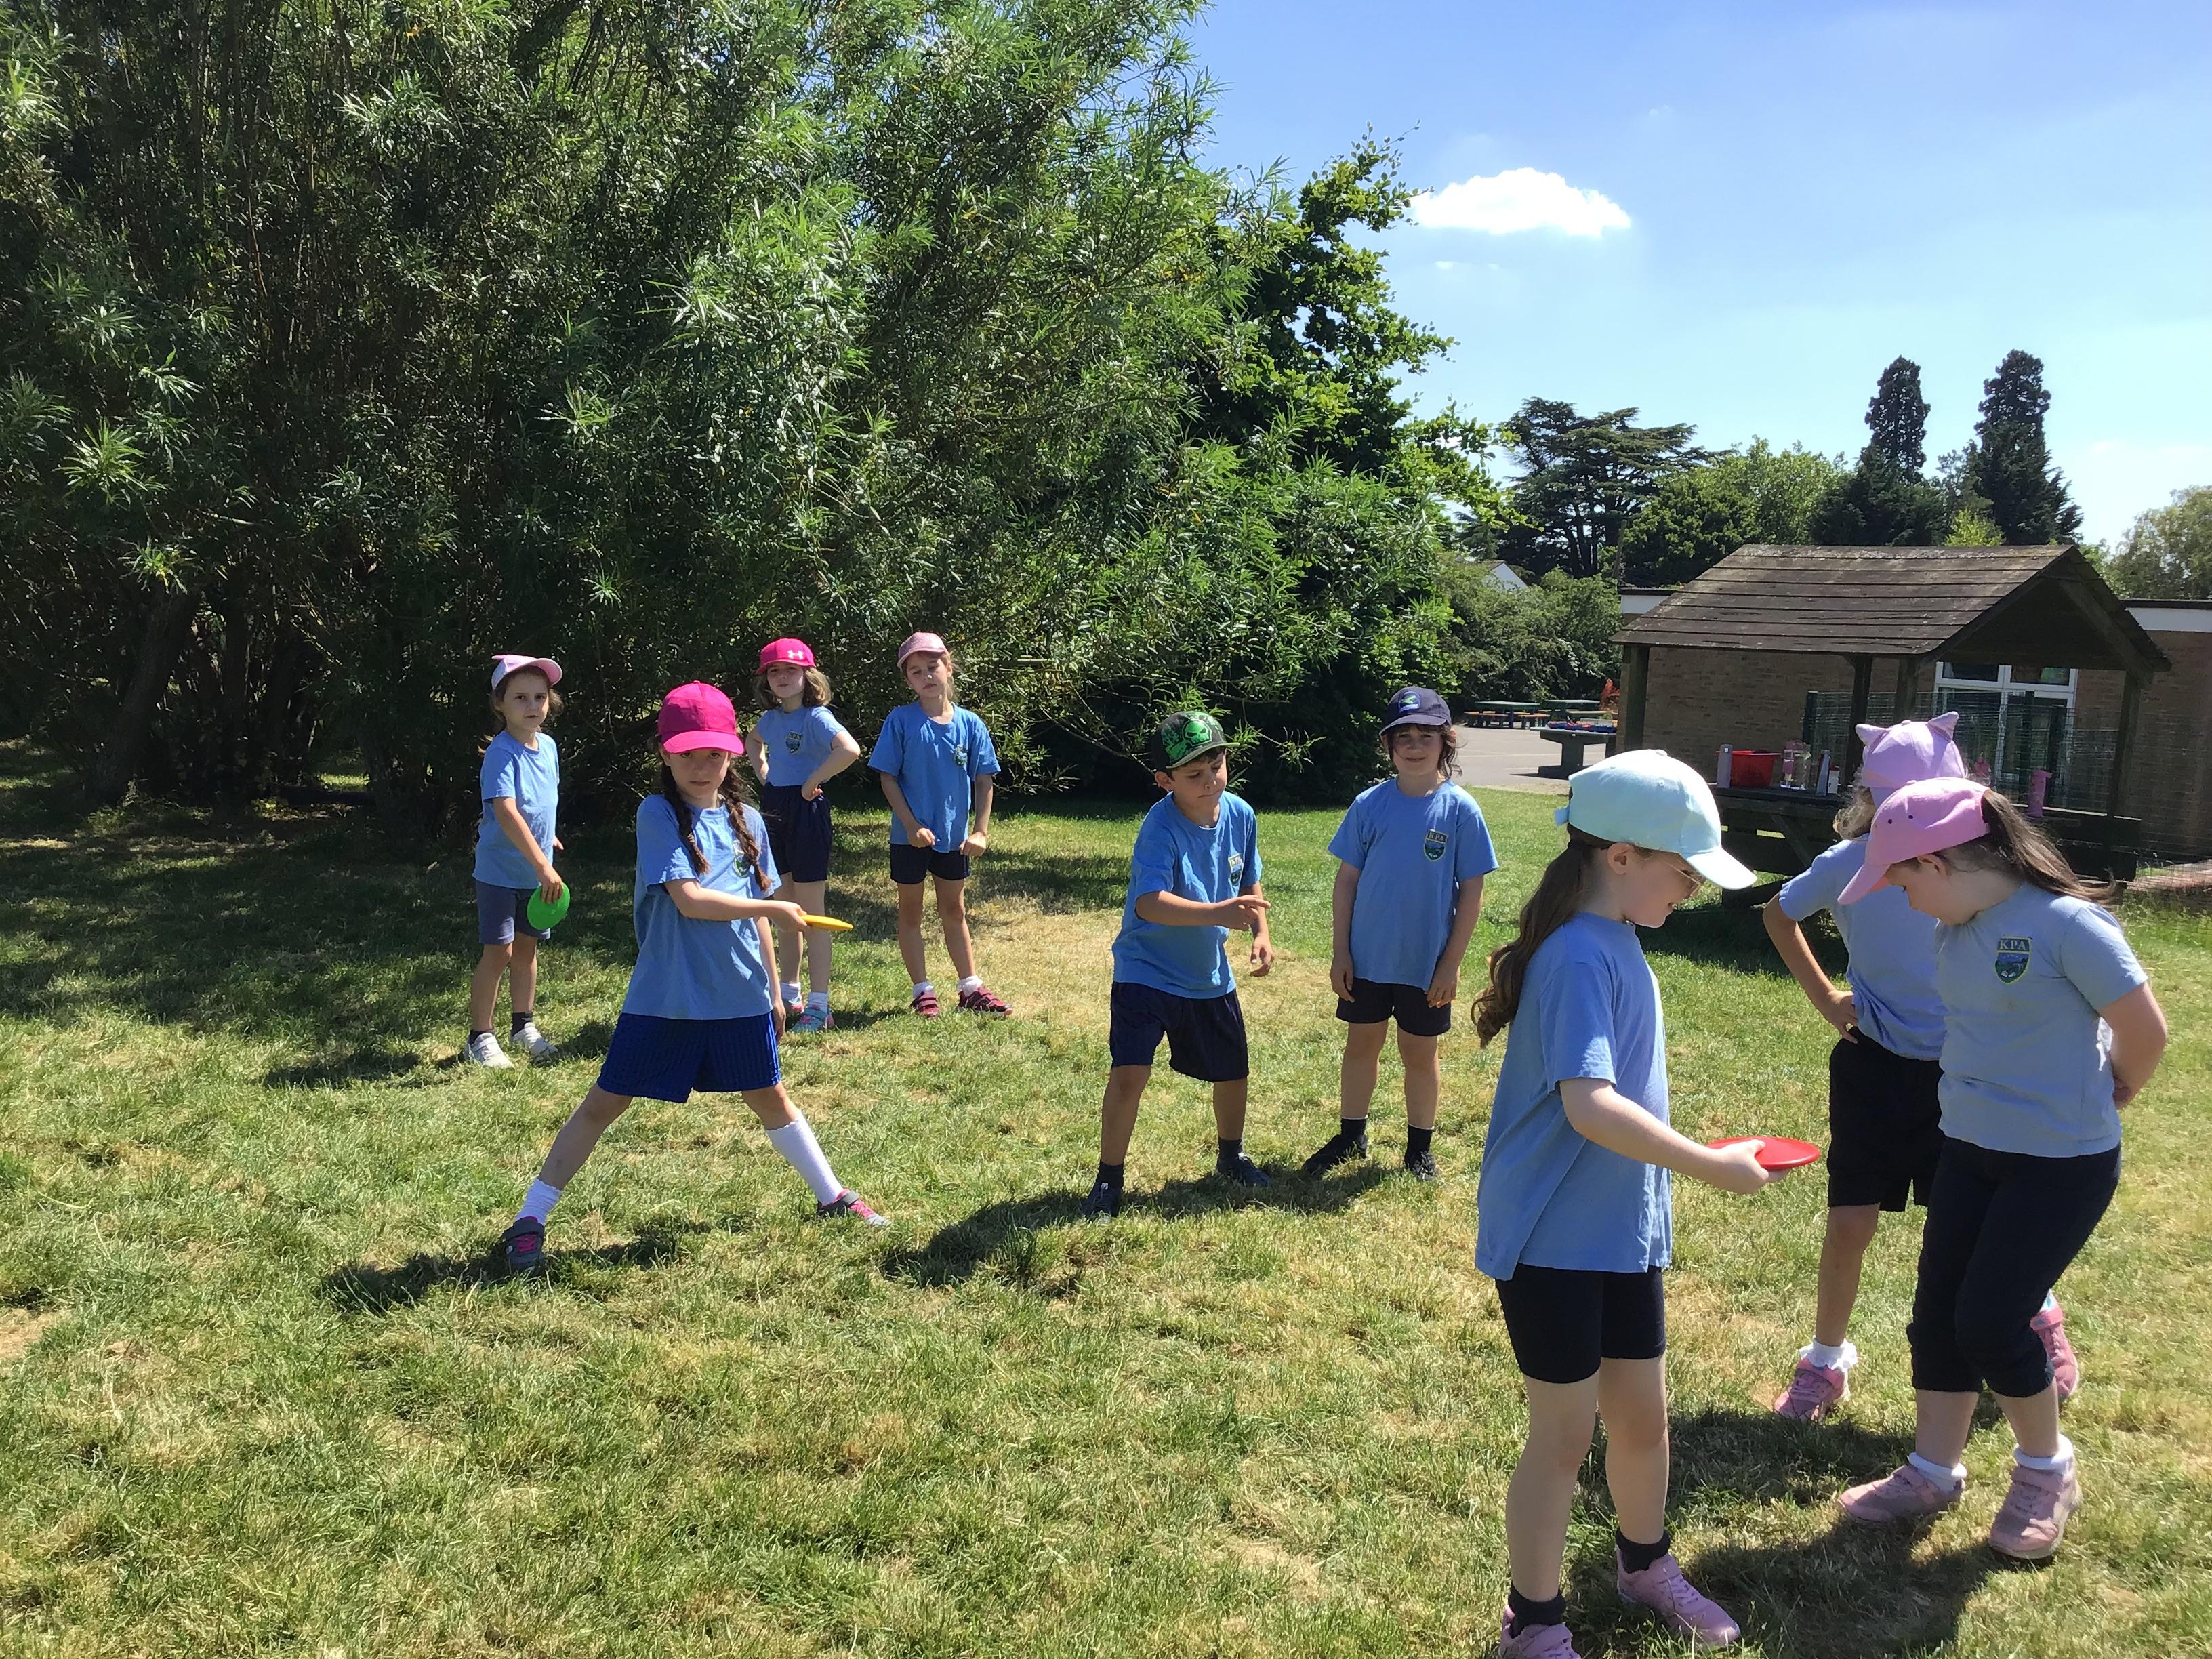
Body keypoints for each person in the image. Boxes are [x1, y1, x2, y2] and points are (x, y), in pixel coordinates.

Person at [1475, 751, 1786, 1657]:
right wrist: (1711, 1165)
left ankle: (1645, 1564)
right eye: (1683, 870)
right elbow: (1591, 1106)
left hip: (1619, 1234)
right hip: (1553, 1242)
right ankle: (1533, 1622)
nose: (1693, 888)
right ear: (1620, 857)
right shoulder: (1577, 955)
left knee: (1643, 1422)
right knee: (1563, 1439)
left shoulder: (1614, 940)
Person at [1834, 777, 2167, 1561]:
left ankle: (2048, 1471)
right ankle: (1931, 1471)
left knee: (1990, 1320)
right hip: (1968, 1149)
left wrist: (2119, 1086)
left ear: (1939, 862)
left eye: (1903, 881)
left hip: (2059, 1164)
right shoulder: (1955, 931)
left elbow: (2144, 1029)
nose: (1905, 900)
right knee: (1938, 1315)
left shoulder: (2067, 926)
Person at [497, 682, 886, 1274]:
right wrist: (775, 910)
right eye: (687, 755)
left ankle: (833, 1196)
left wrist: (775, 990)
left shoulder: (750, 820)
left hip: (740, 996)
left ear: (732, 754)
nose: (701, 767)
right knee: (605, 1102)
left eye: (713, 754)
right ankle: (530, 1219)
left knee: (771, 1097)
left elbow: (758, 916)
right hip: (669, 997)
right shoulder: (656, 814)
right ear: (666, 754)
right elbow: (690, 900)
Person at [1762, 713, 2078, 1416]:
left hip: (1967, 1075)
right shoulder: (1850, 864)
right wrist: (1826, 998)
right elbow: (1778, 915)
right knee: (1850, 1222)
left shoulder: (1984, 875)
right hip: (1874, 1069)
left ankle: (2037, 1318)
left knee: (1982, 1225)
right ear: (1874, 805)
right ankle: (1825, 1360)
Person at [1082, 712, 1273, 1218]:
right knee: (1130, 1073)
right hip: (1145, 970)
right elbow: (1149, 904)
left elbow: (1248, 881)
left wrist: (1261, 932)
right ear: (1165, 781)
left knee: (1233, 1071)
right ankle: (1108, 1179)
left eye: (1217, 765)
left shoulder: (1241, 814)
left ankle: (1231, 1157)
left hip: (1207, 973)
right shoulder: (1160, 826)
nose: (1210, 780)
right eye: (1194, 774)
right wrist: (1218, 913)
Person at [1305, 687, 1495, 1183]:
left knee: (1420, 1055)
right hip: (1367, 959)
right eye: (1403, 736)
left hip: (1425, 964)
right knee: (1360, 1046)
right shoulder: (1369, 805)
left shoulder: (1460, 810)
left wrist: (1450, 965)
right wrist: (1341, 952)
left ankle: (1418, 1148)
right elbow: (1347, 882)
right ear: (1387, 745)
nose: (1414, 746)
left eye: (1425, 736)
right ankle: (1351, 1134)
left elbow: (1472, 893)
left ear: (1446, 742)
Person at [867, 632, 1010, 1018]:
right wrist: (911, 825)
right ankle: (922, 991)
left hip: (954, 839)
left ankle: (970, 988)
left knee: (954, 909)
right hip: (909, 839)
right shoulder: (901, 721)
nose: (926, 676)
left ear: (949, 668)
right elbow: (887, 778)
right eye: (916, 671)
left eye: (933, 667)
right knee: (910, 912)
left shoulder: (971, 724)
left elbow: (984, 779)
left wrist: (980, 831)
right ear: (908, 680)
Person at [750, 637, 861, 1033]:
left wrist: (813, 779)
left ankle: (820, 1006)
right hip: (774, 809)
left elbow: (849, 749)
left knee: (813, 911)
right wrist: (764, 773)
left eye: (791, 670)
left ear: (807, 675)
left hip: (807, 809)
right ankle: (789, 991)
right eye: (774, 671)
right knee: (785, 906)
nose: (782, 677)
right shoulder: (771, 719)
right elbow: (753, 742)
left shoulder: (817, 717)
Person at [467, 654, 566, 1068]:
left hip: (536, 872)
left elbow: (541, 802)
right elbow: (506, 811)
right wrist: (543, 864)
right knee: (500, 952)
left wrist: (548, 837)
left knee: (527, 950)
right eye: (520, 697)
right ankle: (480, 1036)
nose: (532, 706)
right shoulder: (501, 753)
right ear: (500, 704)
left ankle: (522, 1026)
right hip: (501, 873)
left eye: (539, 697)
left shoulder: (548, 747)